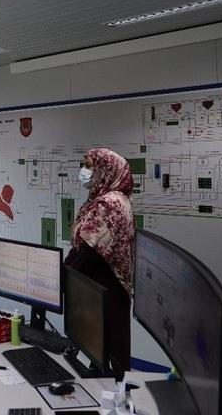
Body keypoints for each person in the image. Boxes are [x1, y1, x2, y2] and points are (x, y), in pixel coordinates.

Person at [65, 147, 136, 373]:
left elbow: (88, 252)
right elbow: (81, 247)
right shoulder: (105, 199)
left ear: (105, 169)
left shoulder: (109, 203)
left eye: (88, 165)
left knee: (108, 362)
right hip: (100, 287)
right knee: (98, 356)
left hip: (106, 289)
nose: (84, 171)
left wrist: (57, 281)